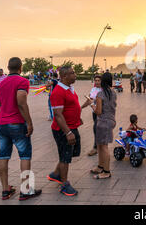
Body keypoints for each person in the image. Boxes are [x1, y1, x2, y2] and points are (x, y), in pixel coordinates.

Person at [0, 57, 42, 200]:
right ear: (20, 68)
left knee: (3, 156)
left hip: (3, 125)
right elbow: (21, 102)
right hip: (18, 124)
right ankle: (26, 190)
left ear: (8, 68)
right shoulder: (22, 81)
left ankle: (5, 190)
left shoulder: (0, 85)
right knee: (25, 156)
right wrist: (29, 122)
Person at [47, 66, 83, 196]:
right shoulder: (58, 92)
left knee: (71, 153)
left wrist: (77, 117)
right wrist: (68, 132)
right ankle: (64, 185)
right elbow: (57, 114)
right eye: (72, 73)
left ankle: (56, 174)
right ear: (64, 77)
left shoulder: (69, 88)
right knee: (65, 157)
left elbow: (71, 106)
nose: (75, 75)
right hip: (63, 130)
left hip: (72, 126)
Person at [90, 72, 117, 179]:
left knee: (104, 146)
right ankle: (100, 166)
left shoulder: (100, 95)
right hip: (110, 120)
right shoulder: (113, 93)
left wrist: (92, 105)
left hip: (103, 122)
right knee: (100, 144)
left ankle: (106, 171)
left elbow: (98, 112)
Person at [81, 75, 102, 156]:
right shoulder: (93, 89)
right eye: (95, 80)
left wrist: (93, 101)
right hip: (94, 112)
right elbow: (89, 100)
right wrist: (81, 107)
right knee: (97, 129)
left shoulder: (103, 90)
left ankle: (96, 148)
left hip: (100, 112)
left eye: (98, 80)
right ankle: (99, 146)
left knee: (96, 129)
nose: (96, 82)